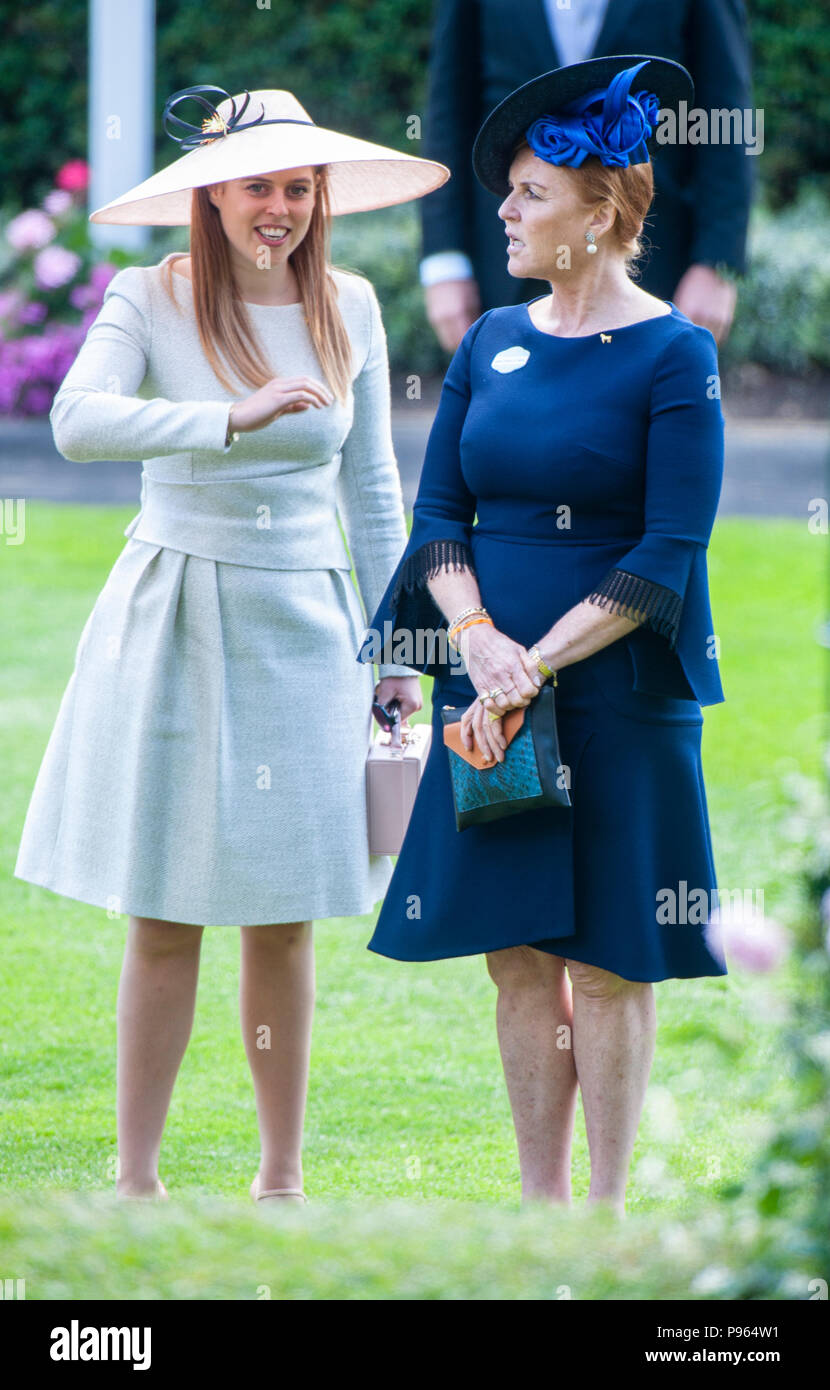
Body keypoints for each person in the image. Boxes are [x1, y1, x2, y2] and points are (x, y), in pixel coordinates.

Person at [14, 85, 442, 1204]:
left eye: (300, 185)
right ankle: (137, 1179)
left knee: (284, 913)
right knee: (161, 909)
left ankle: (281, 1177)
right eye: (260, 183)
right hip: (175, 607)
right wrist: (225, 416)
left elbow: (375, 492)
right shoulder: (147, 297)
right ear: (212, 192)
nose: (283, 207)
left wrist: (399, 665)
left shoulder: (348, 302)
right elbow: (76, 420)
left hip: (307, 618)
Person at [357, 56, 728, 1214]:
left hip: (617, 691)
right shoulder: (489, 343)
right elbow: (437, 515)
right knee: (514, 953)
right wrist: (470, 636)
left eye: (527, 193)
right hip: (486, 692)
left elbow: (667, 548)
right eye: (506, 190)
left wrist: (536, 658)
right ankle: (539, 1212)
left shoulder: (676, 355)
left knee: (612, 957)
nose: (504, 212)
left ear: (600, 211)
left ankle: (606, 1214)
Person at [420, 0, 754, 350]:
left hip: (651, 257)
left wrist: (717, 261)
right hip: (508, 259)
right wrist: (445, 259)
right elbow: (449, 109)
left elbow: (726, 116)